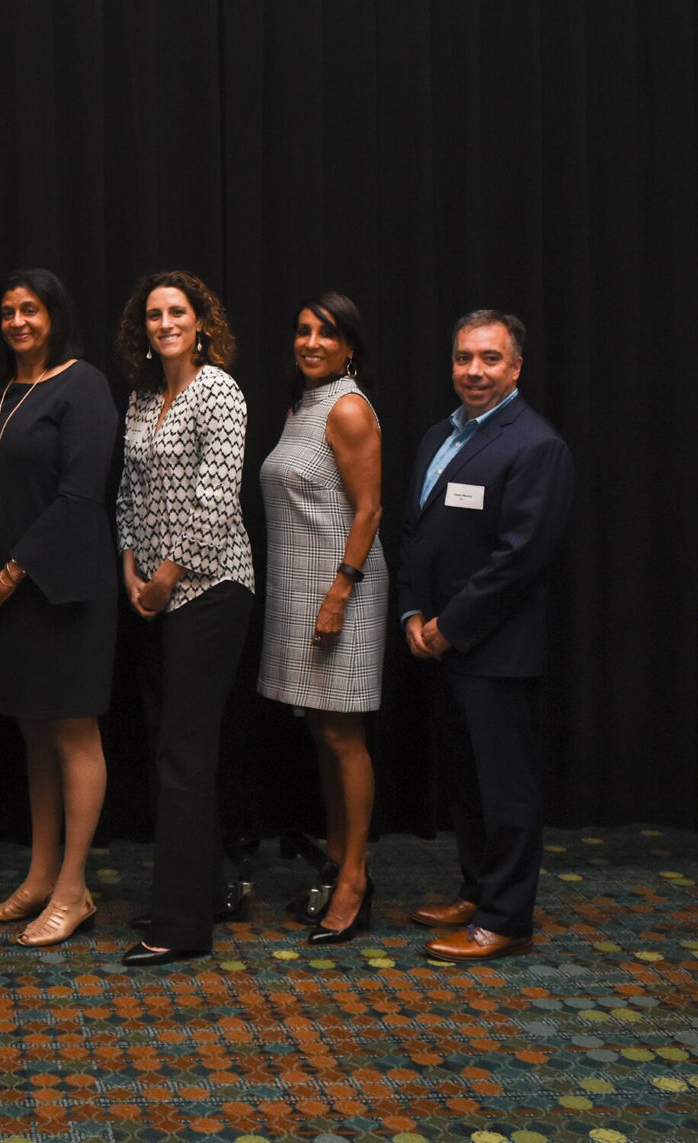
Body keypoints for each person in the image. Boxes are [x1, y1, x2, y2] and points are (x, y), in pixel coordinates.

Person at [400, 310, 573, 961]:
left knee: (506, 790)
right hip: (440, 643)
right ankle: (477, 888)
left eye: (490, 359)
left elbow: (520, 559)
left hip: (496, 651)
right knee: (466, 783)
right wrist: (413, 613)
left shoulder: (535, 445)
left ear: (516, 367)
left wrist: (450, 626)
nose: (474, 370)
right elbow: (418, 535)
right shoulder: (436, 437)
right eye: (465, 357)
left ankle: (507, 919)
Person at [0, 268, 118, 947]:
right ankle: (40, 874)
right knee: (33, 731)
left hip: (63, 590)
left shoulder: (84, 386)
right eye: (8, 311)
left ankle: (74, 888)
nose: (19, 321)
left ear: (55, 315)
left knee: (73, 730)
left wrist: (11, 574)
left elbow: (80, 497)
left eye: (32, 309)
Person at [113, 271, 256, 967]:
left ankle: (180, 927)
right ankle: (199, 891)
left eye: (177, 312)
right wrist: (131, 567)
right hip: (153, 592)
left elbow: (216, 497)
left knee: (184, 755)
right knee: (166, 748)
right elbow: (126, 492)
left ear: (202, 322)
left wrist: (169, 575)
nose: (165, 322)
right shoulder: (142, 397)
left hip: (212, 589)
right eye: (154, 314)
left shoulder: (219, 391)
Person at [255, 293, 387, 945]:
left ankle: (356, 880)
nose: (310, 342)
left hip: (343, 585)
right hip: (300, 587)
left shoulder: (349, 407)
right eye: (303, 330)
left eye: (326, 334)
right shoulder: (303, 403)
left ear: (350, 347)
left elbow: (369, 510)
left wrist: (341, 590)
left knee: (343, 735)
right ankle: (336, 862)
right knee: (321, 732)